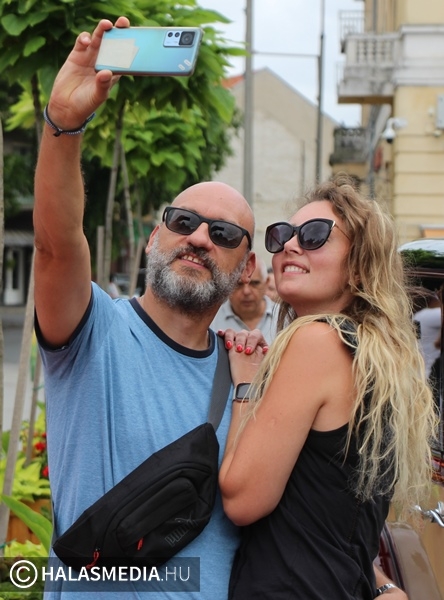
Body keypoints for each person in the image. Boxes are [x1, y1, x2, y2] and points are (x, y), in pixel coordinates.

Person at [33, 17, 258, 598]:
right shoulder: (92, 332)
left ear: (246, 267)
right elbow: (57, 244)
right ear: (156, 237)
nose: (200, 238)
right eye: (183, 221)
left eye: (224, 234)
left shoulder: (250, 373)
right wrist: (63, 124)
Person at [219, 175, 435, 599]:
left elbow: (242, 501)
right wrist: (384, 583)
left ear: (358, 267)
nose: (289, 245)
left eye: (314, 235)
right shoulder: (372, 359)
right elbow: (332, 519)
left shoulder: (316, 341)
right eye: (283, 235)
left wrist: (246, 384)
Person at [211, 258, 278, 343]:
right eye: (238, 284)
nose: (246, 292)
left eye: (254, 283)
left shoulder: (285, 317)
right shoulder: (210, 320)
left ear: (266, 283)